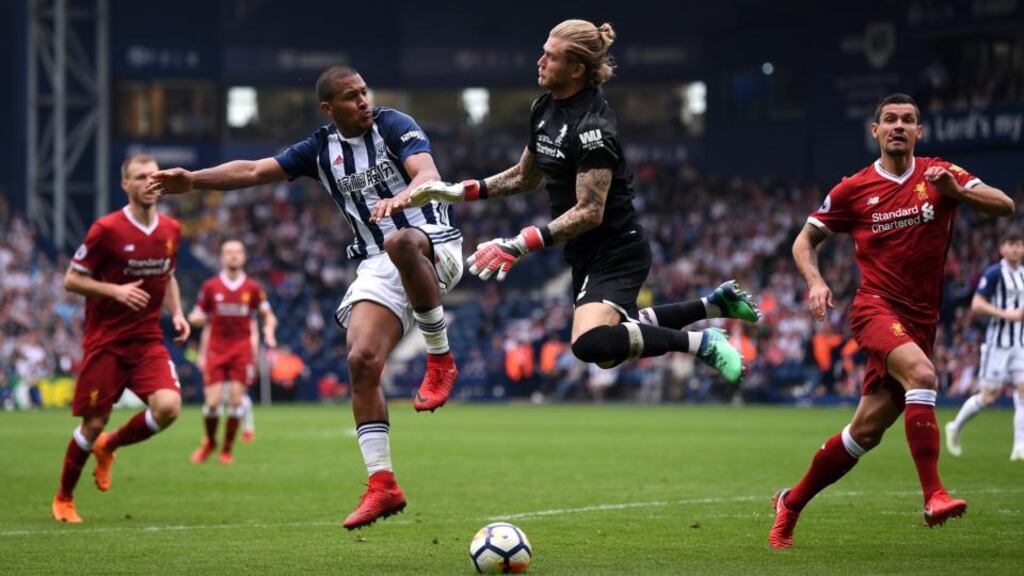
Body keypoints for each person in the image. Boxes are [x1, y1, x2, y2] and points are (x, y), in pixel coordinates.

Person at [146, 65, 463, 529]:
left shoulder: (394, 124)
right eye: (352, 96)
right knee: (361, 360)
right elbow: (254, 170)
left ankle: (440, 359)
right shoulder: (319, 149)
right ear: (328, 108)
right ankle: (382, 485)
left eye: (364, 92)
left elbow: (428, 172)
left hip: (433, 244)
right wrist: (193, 180)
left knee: (400, 240)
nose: (363, 101)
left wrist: (405, 199)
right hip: (378, 261)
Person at [409, 19, 759, 380]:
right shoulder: (544, 108)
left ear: (576, 70)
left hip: (617, 250)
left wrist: (519, 244)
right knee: (609, 348)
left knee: (590, 343)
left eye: (551, 57)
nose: (540, 62)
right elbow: (524, 177)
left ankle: (703, 344)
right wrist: (458, 192)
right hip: (583, 254)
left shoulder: (593, 128)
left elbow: (591, 212)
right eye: (543, 53)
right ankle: (715, 304)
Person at [770, 93, 1014, 548]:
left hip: (921, 322)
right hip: (875, 309)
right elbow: (804, 241)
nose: (898, 126)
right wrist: (815, 282)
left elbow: (1005, 205)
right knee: (923, 374)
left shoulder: (940, 174)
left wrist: (957, 194)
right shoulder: (854, 189)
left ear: (919, 132)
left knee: (864, 433)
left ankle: (791, 503)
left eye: (907, 120)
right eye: (890, 120)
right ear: (876, 131)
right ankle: (933, 495)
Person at [52, 154, 190, 523]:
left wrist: (176, 312)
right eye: (140, 176)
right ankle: (64, 498)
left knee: (168, 408)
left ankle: (109, 446)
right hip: (106, 342)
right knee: (92, 423)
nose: (149, 182)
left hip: (147, 341)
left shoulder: (171, 230)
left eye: (154, 175)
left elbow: (169, 274)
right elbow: (71, 279)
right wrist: (115, 291)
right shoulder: (107, 230)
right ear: (124, 184)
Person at [188, 240, 277, 465]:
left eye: (238, 252)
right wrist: (194, 319)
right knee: (212, 404)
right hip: (216, 351)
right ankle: (209, 441)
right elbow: (197, 313)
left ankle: (226, 450)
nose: (233, 256)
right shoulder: (211, 287)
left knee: (236, 402)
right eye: (229, 252)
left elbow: (268, 315)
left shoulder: (253, 288)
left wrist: (269, 331)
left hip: (241, 351)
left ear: (244, 257)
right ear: (222, 257)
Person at [946, 230, 1024, 461]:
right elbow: (977, 304)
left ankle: (1019, 446)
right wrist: (1006, 314)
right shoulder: (994, 273)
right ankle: (955, 426)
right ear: (1002, 249)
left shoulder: (1023, 273)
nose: (1015, 249)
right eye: (1011, 244)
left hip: (1020, 342)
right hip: (997, 344)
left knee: (1023, 389)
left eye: (1019, 244)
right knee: (989, 396)